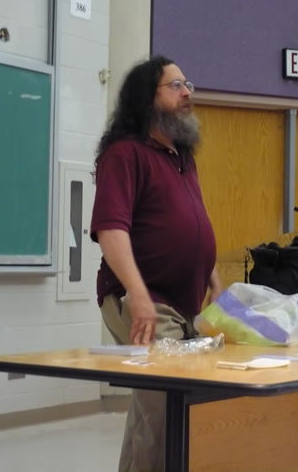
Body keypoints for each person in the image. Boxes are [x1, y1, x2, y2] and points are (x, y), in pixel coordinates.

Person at [90, 54, 222, 472]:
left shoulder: (182, 156)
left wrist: (214, 278)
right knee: (168, 408)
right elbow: (112, 231)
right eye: (176, 86)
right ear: (148, 97)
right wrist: (140, 295)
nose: (188, 93)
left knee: (157, 411)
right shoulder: (125, 154)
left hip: (181, 306)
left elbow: (194, 225)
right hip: (142, 303)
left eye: (188, 85)